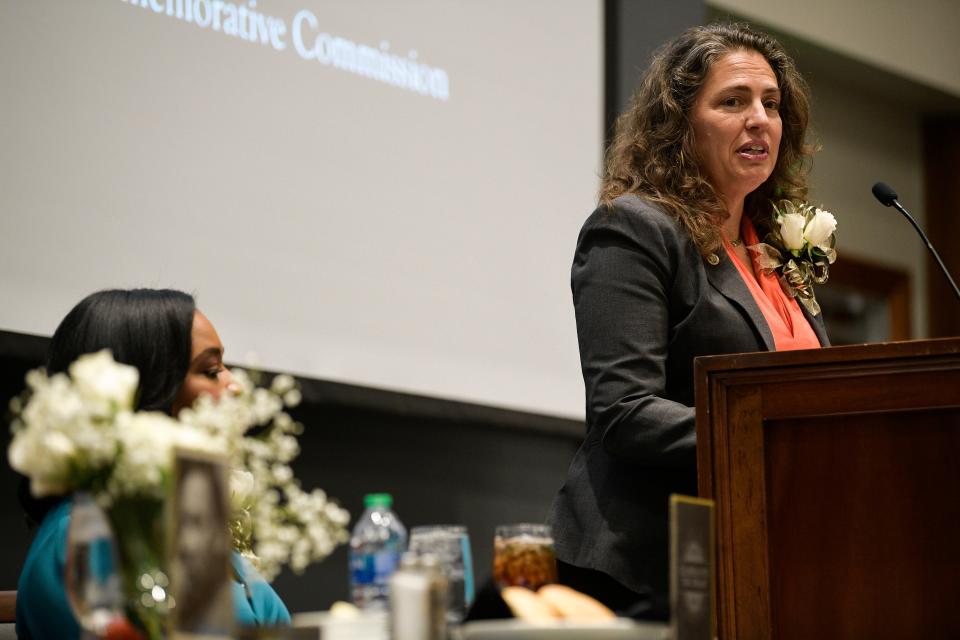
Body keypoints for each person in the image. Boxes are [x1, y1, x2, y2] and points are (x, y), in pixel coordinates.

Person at [546, 23, 829, 619]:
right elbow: (624, 411)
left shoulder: (774, 247)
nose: (759, 119)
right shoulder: (634, 229)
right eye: (733, 101)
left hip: (763, 558)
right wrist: (770, 436)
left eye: (771, 104)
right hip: (646, 571)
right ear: (680, 125)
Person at [15, 288, 291, 639]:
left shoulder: (191, 532)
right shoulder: (85, 538)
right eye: (210, 370)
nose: (235, 386)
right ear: (145, 391)